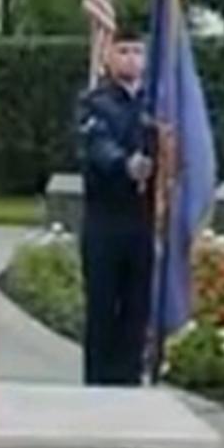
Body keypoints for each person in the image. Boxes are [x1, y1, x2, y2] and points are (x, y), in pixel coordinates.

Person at [75, 27, 155, 386]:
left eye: (137, 51)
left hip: (144, 221)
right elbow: (97, 146)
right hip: (106, 220)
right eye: (122, 51)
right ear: (107, 57)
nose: (131, 58)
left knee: (137, 310)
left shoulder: (157, 103)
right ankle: (98, 387)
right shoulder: (94, 102)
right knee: (103, 310)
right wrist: (126, 164)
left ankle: (131, 384)